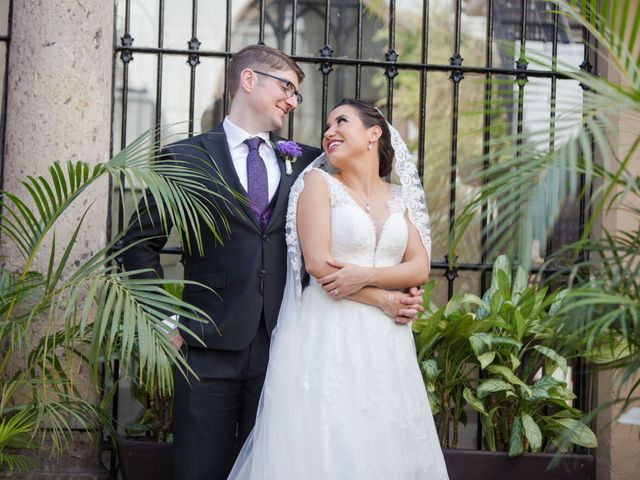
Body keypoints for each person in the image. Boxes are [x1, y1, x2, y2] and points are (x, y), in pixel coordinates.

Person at [121, 46, 424, 480]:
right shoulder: (185, 158)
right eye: (287, 87)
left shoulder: (310, 163)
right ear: (249, 80)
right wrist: (164, 323)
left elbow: (366, 215)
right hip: (205, 348)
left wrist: (391, 294)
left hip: (288, 349)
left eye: (297, 94)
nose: (292, 100)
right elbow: (136, 245)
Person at [228, 99, 450, 479]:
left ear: (373, 134)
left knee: (383, 440)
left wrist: (365, 278)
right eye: (327, 125)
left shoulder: (398, 198)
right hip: (328, 332)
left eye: (341, 122)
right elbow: (319, 265)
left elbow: (419, 266)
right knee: (329, 439)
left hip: (386, 342)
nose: (329, 132)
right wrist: (386, 299)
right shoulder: (318, 184)